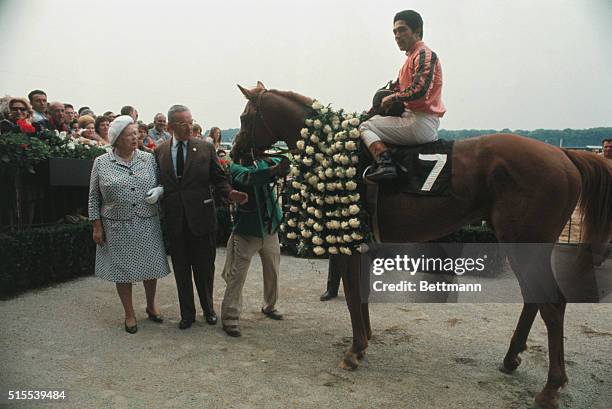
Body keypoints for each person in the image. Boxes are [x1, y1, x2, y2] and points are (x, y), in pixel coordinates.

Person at [155, 104, 248, 330]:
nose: (188, 127)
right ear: (170, 126)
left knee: (205, 268)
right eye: (182, 124)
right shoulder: (160, 151)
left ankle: (208, 309)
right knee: (181, 270)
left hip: (202, 218)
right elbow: (159, 182)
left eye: (190, 122)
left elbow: (219, 179)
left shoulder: (205, 149)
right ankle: (187, 313)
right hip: (176, 219)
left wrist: (230, 193)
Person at [88, 115, 170, 334]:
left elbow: (163, 182)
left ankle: (151, 306)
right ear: (116, 138)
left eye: (136, 133)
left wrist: (160, 190)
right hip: (117, 225)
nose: (135, 138)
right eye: (129, 134)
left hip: (147, 222)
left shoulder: (148, 158)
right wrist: (97, 226)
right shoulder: (101, 162)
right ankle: (129, 313)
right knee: (122, 271)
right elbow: (93, 197)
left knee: (150, 267)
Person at [360, 10, 446, 181]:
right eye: (395, 32)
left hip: (420, 121)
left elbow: (419, 90)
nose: (397, 36)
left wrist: (392, 98)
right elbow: (396, 88)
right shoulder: (411, 58)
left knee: (365, 127)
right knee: (366, 120)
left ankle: (386, 164)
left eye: (402, 30)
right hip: (414, 118)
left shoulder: (424, 54)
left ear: (417, 31)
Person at [220, 152, 289, 337]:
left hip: (269, 228)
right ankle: (230, 317)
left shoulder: (262, 163)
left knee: (273, 270)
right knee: (237, 275)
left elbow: (279, 162)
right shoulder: (234, 167)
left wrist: (271, 162)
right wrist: (273, 169)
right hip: (246, 232)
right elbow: (248, 176)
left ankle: (270, 305)